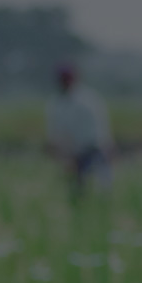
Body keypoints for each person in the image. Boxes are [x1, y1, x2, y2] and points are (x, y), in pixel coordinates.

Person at [44, 62, 113, 197]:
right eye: (63, 79)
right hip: (73, 153)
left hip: (94, 150)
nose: (65, 82)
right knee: (78, 191)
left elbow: (100, 127)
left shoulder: (88, 99)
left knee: (101, 190)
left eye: (67, 78)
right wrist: (61, 153)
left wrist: (108, 147)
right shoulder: (56, 103)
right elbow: (55, 132)